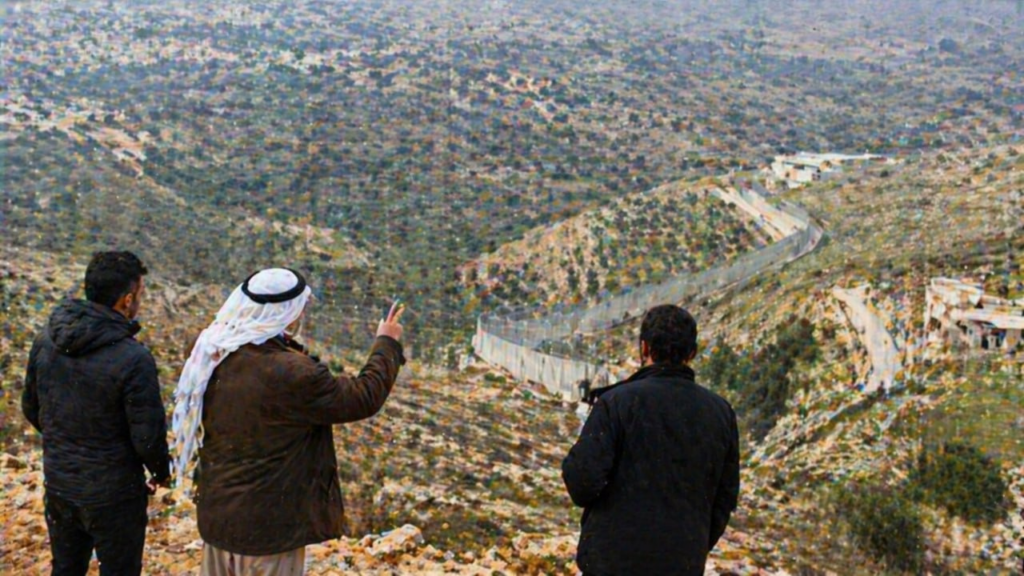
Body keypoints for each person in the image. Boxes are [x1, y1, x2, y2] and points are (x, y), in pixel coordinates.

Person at [170, 268, 405, 575]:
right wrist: (387, 343)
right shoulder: (293, 373)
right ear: (289, 314)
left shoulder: (210, 353)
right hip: (269, 531)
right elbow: (363, 397)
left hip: (219, 520)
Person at [562, 304, 740, 576]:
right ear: (692, 353)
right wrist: (691, 547)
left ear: (643, 347)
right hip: (681, 565)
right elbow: (724, 499)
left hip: (611, 564)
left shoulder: (615, 403)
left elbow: (582, 484)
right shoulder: (721, 413)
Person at [22, 251, 170, 576]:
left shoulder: (46, 341)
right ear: (127, 300)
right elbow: (147, 436)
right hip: (115, 494)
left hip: (60, 483)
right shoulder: (133, 358)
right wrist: (161, 472)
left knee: (66, 568)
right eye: (140, 294)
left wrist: (67, 443)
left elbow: (31, 407)